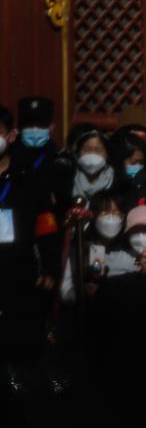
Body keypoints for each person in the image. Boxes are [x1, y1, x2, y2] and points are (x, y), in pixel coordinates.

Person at [0, 104, 64, 392]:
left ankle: (30, 368)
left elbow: (46, 225)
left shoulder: (28, 176)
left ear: (10, 136)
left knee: (24, 322)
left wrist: (50, 266)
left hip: (19, 261)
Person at [68, 125, 115, 202]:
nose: (92, 154)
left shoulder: (116, 180)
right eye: (86, 150)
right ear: (78, 153)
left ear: (107, 154)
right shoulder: (69, 177)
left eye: (98, 150)